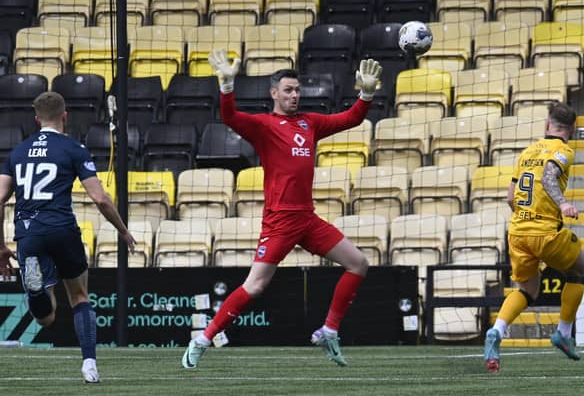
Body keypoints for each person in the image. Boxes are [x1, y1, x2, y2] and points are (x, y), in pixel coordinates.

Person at [181, 50, 382, 369]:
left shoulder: (310, 123)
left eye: (297, 90)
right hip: (279, 222)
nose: (294, 95)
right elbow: (231, 117)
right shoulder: (264, 126)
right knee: (255, 285)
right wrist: (227, 88)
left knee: (358, 263)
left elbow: (351, 119)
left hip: (307, 219)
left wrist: (366, 93)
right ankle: (203, 339)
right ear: (273, 94)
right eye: (288, 90)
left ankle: (329, 331)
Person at [0, 92, 136, 383]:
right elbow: (99, 198)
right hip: (62, 229)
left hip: (28, 233)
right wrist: (123, 231)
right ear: (65, 116)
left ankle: (37, 290)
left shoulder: (18, 152)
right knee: (79, 297)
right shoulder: (74, 148)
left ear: (36, 119)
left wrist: (0, 246)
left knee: (44, 317)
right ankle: (89, 364)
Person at [483, 102, 584, 372]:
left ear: (547, 124)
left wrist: (525, 218)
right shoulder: (564, 150)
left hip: (518, 232)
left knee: (528, 289)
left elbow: (510, 196)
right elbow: (550, 177)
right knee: (579, 270)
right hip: (545, 231)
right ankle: (564, 333)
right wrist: (563, 204)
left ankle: (497, 329)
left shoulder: (528, 152)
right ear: (572, 129)